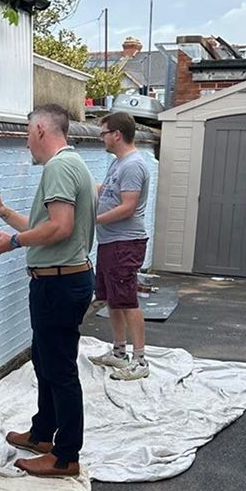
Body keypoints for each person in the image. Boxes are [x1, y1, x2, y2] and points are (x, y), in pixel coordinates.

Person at [0, 104, 98, 478]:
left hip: (59, 284)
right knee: (47, 363)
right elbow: (42, 226)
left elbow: (59, 228)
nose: (27, 142)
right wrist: (2, 212)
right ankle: (44, 434)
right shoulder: (72, 165)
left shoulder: (59, 167)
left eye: (28, 133)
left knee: (59, 370)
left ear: (42, 130)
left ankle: (65, 457)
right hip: (62, 280)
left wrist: (12, 243)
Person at [88, 112, 152, 380]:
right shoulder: (117, 163)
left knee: (127, 299)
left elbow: (128, 207)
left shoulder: (133, 165)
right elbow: (108, 191)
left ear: (117, 134)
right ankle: (118, 352)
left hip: (125, 243)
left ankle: (140, 361)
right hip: (110, 242)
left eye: (104, 133)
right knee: (113, 299)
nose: (102, 138)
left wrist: (93, 220)